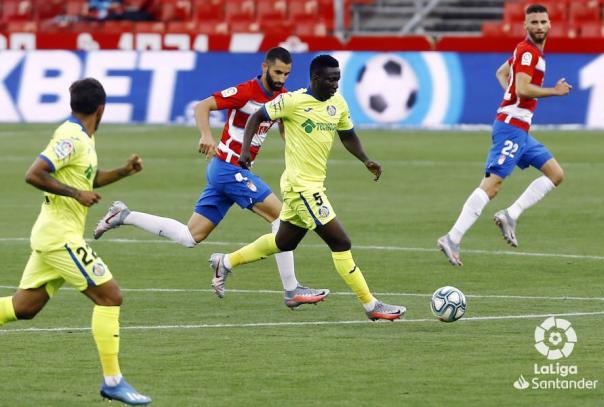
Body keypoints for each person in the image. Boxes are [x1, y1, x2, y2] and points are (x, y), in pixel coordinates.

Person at [93, 47, 329, 308]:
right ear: (264, 67)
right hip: (228, 168)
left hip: (231, 172)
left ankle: (124, 215)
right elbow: (202, 106)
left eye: (286, 74)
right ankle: (291, 290)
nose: (281, 78)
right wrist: (206, 135)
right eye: (277, 72)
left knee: (190, 236)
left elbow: (286, 130)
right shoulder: (245, 91)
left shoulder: (282, 98)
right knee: (281, 217)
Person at [209, 54, 406, 321]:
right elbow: (257, 116)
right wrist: (245, 151)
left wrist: (365, 159)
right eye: (330, 80)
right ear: (315, 78)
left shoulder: (338, 102)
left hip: (312, 185)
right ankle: (371, 305)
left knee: (283, 241)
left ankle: (226, 262)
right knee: (341, 241)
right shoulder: (293, 101)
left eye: (338, 79)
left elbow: (347, 135)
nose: (335, 85)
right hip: (301, 187)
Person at [0, 78, 151, 405]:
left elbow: (88, 179)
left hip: (52, 234)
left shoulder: (81, 137)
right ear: (102, 108)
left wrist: (124, 172)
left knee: (23, 308)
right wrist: (75, 193)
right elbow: (35, 173)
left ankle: (114, 381)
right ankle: (113, 381)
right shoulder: (72, 138)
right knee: (110, 297)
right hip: (59, 237)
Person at [437, 4, 571, 266]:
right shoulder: (528, 52)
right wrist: (553, 91)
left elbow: (503, 74)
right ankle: (452, 238)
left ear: (550, 24)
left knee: (556, 174)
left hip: (519, 127)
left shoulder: (528, 53)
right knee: (492, 185)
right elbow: (521, 88)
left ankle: (511, 214)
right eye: (534, 23)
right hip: (511, 127)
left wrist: (509, 97)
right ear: (525, 26)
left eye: (543, 22)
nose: (540, 27)